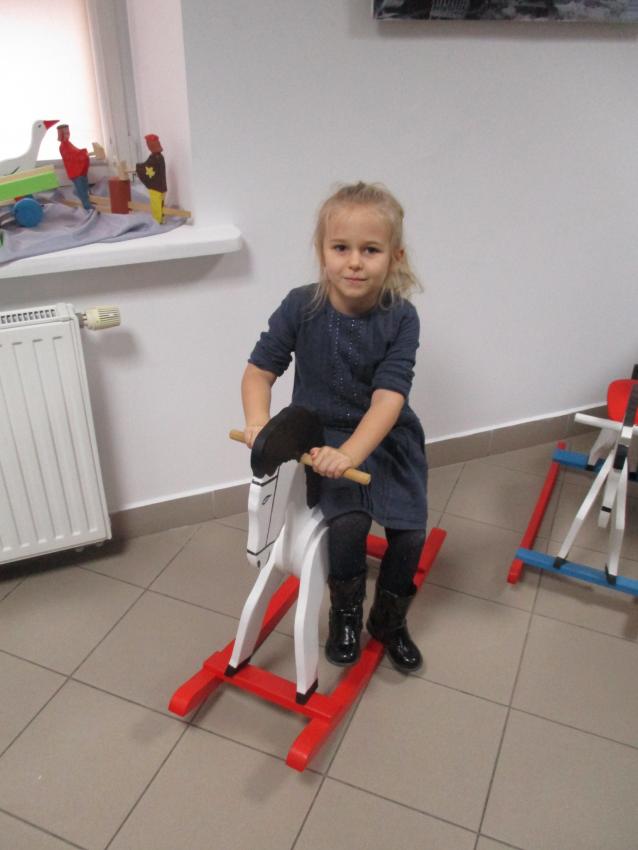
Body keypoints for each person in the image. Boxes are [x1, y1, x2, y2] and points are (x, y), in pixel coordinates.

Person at [241, 182, 428, 673]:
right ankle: (346, 613)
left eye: (371, 250)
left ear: (394, 256)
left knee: (410, 532)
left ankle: (388, 620)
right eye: (341, 248)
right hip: (322, 439)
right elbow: (259, 371)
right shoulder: (300, 306)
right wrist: (259, 422)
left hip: (386, 436)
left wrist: (352, 455)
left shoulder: (401, 317)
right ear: (322, 251)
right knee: (348, 523)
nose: (354, 263)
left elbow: (389, 398)